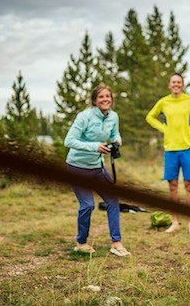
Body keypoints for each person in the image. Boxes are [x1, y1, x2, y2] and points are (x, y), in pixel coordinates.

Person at [64, 84, 130, 257]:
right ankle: (81, 243)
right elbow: (69, 141)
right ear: (94, 100)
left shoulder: (113, 116)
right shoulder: (84, 117)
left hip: (97, 168)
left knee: (113, 200)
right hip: (77, 167)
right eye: (101, 97)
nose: (105, 99)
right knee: (87, 205)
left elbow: (115, 133)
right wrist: (95, 147)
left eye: (108, 96)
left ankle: (116, 243)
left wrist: (117, 141)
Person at [145, 73, 190, 235]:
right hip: (170, 149)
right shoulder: (163, 102)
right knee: (172, 187)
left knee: (189, 186)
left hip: (187, 148)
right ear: (169, 85)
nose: (176, 84)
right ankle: (175, 222)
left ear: (182, 85)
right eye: (173, 82)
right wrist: (164, 128)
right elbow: (150, 117)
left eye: (179, 82)